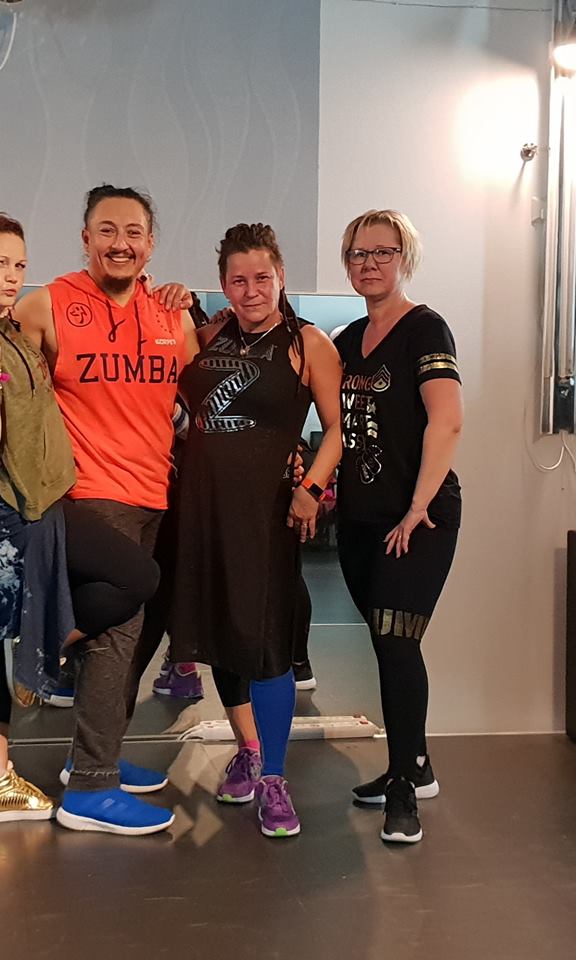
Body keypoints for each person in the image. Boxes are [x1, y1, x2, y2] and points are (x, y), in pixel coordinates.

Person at [0, 213, 158, 824]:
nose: (12, 276)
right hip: (13, 509)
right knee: (135, 578)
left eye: (19, 264)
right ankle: (36, 659)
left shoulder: (3, 326)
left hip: (41, 501)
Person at [16, 184, 198, 836]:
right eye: (108, 230)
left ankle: (95, 757)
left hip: (155, 495)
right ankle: (90, 789)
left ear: (150, 244)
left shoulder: (171, 315)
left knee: (128, 639)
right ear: (86, 238)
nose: (121, 243)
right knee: (118, 639)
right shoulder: (47, 304)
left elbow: (201, 399)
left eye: (134, 232)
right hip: (89, 494)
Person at [167, 223, 343, 837]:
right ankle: (247, 747)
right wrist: (172, 302)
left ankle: (274, 776)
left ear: (281, 276)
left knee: (266, 644)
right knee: (222, 636)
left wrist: (310, 488)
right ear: (224, 285)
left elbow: (336, 431)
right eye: (238, 280)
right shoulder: (208, 335)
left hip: (265, 516)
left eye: (262, 278)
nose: (251, 291)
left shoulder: (308, 343)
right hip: (201, 510)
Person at [333, 209, 463, 844]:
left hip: (419, 517)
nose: (370, 263)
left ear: (403, 258)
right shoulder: (347, 339)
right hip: (360, 521)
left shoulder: (425, 328)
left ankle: (404, 788)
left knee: (395, 642)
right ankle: (417, 763)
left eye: (382, 252)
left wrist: (416, 507)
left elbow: (447, 420)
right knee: (386, 641)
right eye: (358, 254)